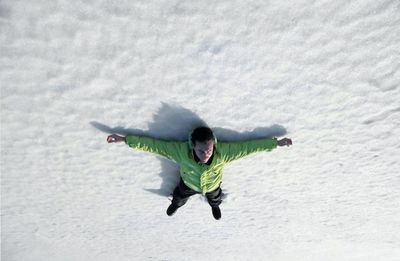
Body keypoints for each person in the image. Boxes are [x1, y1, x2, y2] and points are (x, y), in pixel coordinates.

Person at [107, 126, 292, 220]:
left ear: (213, 145)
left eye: (209, 150)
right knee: (179, 195)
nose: (206, 155)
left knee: (215, 197)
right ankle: (176, 204)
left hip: (212, 185)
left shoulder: (223, 153)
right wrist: (124, 139)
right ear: (193, 146)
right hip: (188, 184)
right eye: (201, 151)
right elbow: (154, 145)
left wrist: (276, 143)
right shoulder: (180, 152)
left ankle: (215, 205)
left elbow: (248, 148)